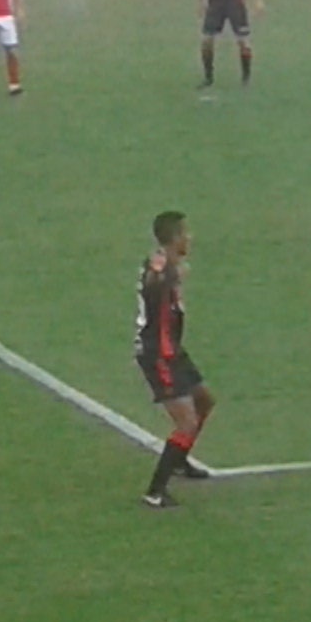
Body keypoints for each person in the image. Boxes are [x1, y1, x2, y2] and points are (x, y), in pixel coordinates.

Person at [136, 210, 216, 509]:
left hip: (174, 350)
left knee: (205, 400)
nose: (190, 238)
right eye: (186, 232)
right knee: (186, 422)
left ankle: (180, 462)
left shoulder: (168, 262)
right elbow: (153, 280)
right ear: (174, 238)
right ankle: (155, 492)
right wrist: (172, 275)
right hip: (158, 354)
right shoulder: (159, 263)